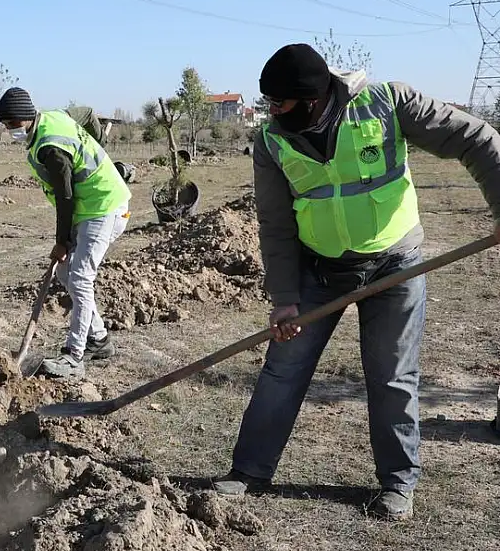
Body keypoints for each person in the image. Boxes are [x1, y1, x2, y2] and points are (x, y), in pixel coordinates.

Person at [213, 43, 500, 520]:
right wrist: (285, 298)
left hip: (396, 265)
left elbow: (478, 139)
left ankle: (397, 484)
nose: (272, 113)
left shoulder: (388, 103)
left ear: (311, 97)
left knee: (391, 376)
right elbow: (276, 224)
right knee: (283, 368)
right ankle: (249, 471)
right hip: (318, 269)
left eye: (280, 104)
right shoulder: (272, 141)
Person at [0, 87, 132, 378]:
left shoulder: (50, 148)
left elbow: (65, 197)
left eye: (12, 125)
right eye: (6, 126)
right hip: (90, 207)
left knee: (81, 277)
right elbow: (85, 112)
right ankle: (99, 339)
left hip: (104, 205)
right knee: (63, 272)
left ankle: (74, 356)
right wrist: (99, 142)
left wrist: (61, 242)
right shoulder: (53, 117)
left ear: (26, 118)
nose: (10, 131)